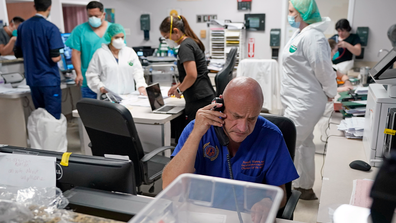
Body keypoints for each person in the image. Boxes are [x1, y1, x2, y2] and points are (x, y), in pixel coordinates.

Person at [162, 77, 299, 214]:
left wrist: (269, 202)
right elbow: (170, 188)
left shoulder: (271, 136)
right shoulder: (197, 129)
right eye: (236, 116)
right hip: (200, 214)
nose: (243, 128)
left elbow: (281, 194)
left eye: (252, 118)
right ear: (220, 105)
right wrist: (196, 134)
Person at [281, 0, 337, 200]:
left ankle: (285, 193)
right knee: (305, 143)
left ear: (302, 13)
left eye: (291, 11)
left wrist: (331, 91)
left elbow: (323, 67)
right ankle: (304, 187)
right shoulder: (300, 35)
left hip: (305, 103)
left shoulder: (314, 37)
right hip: (297, 100)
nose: (289, 15)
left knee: (289, 145)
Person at [159, 15, 215, 124]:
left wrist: (180, 90)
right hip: (203, 96)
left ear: (176, 31)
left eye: (166, 37)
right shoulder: (191, 42)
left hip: (199, 99)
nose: (167, 40)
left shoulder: (185, 47)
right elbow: (193, 73)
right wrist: (178, 85)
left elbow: (192, 75)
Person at [14, 0, 63, 120]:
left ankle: (42, 139)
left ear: (34, 6)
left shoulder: (23, 26)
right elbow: (55, 57)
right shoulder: (51, 28)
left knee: (40, 114)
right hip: (49, 80)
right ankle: (53, 139)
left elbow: (18, 53)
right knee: (52, 116)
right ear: (49, 8)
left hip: (33, 80)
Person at [66, 1, 111, 99]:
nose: (93, 18)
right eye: (90, 16)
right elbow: (76, 53)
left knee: (112, 112)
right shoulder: (80, 30)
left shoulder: (113, 29)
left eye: (96, 15)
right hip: (88, 79)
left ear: (103, 14)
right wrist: (78, 74)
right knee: (90, 111)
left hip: (110, 79)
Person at [86, 23, 147, 96]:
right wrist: (100, 87)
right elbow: (92, 75)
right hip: (108, 96)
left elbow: (137, 70)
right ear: (109, 37)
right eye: (116, 37)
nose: (120, 40)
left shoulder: (129, 52)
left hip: (128, 95)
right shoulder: (100, 54)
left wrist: (141, 85)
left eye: (122, 37)